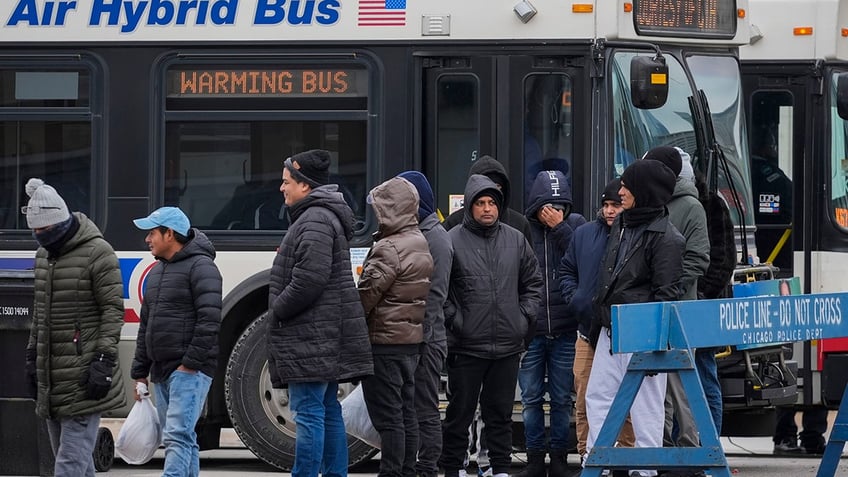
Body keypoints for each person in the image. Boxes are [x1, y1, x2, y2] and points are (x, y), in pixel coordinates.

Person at [266, 149, 374, 477]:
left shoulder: (313, 219)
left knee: (310, 412)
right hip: (320, 335)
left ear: (306, 186)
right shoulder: (321, 217)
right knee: (326, 411)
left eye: (287, 182)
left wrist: (277, 310)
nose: (282, 188)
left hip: (310, 336)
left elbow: (309, 280)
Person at [439, 174, 544, 477]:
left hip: (507, 347)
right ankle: (454, 469)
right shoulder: (452, 240)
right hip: (466, 346)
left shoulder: (515, 239)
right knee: (460, 414)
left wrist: (522, 317)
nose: (487, 209)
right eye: (481, 203)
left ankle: (500, 469)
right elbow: (439, 289)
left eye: (492, 203)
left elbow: (533, 283)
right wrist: (455, 321)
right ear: (470, 206)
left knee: (500, 414)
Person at [585, 160, 685, 477]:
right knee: (597, 396)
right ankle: (596, 463)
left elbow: (666, 294)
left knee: (646, 407)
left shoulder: (669, 238)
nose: (621, 191)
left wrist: (653, 343)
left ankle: (645, 471)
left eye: (627, 185)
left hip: (641, 332)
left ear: (644, 190)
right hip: (611, 327)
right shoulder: (623, 224)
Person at [22, 178, 126, 477]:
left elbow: (112, 310)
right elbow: (40, 314)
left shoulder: (98, 252)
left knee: (68, 466)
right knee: (76, 465)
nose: (39, 236)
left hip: (85, 377)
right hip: (52, 379)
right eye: (35, 231)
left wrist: (104, 359)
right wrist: (32, 358)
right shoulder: (43, 256)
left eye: (44, 230)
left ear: (60, 222)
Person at [130, 206, 222, 477]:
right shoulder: (157, 272)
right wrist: (139, 374)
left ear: (170, 234)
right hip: (162, 371)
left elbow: (210, 320)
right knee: (183, 438)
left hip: (189, 371)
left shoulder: (202, 267)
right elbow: (146, 325)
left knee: (177, 436)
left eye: (152, 233)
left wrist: (190, 364)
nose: (147, 239)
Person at [358, 176, 434, 477]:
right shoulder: (419, 242)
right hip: (409, 342)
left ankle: (391, 472)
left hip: (384, 343)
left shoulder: (389, 248)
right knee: (405, 413)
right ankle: (407, 470)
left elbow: (366, 295)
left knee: (388, 417)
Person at [640, 148, 710, 473]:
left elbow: (699, 259)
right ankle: (663, 449)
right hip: (656, 310)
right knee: (657, 386)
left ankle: (691, 451)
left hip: (681, 309)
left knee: (682, 386)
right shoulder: (652, 204)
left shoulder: (692, 207)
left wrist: (665, 285)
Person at [560, 178, 635, 467]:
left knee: (627, 398)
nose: (609, 211)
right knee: (583, 398)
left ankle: (628, 457)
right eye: (605, 205)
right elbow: (567, 269)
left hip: (621, 333)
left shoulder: (633, 235)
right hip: (587, 332)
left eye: (615, 204)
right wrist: (575, 298)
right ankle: (587, 457)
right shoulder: (583, 234)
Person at [515, 170, 586, 477]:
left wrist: (559, 229)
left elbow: (584, 259)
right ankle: (533, 459)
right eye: (548, 206)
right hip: (531, 331)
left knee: (561, 399)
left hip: (566, 328)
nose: (554, 212)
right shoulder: (522, 229)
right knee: (530, 400)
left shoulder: (576, 226)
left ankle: (558, 459)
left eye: (560, 206)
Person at [397, 171, 454, 477]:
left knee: (425, 408)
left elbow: (434, 295)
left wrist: (415, 333)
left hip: (425, 338)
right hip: (417, 335)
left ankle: (427, 467)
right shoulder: (421, 233)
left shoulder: (435, 239)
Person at [443, 154, 533, 243]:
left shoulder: (520, 224)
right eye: (484, 187)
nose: (491, 192)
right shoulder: (453, 224)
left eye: (497, 187)